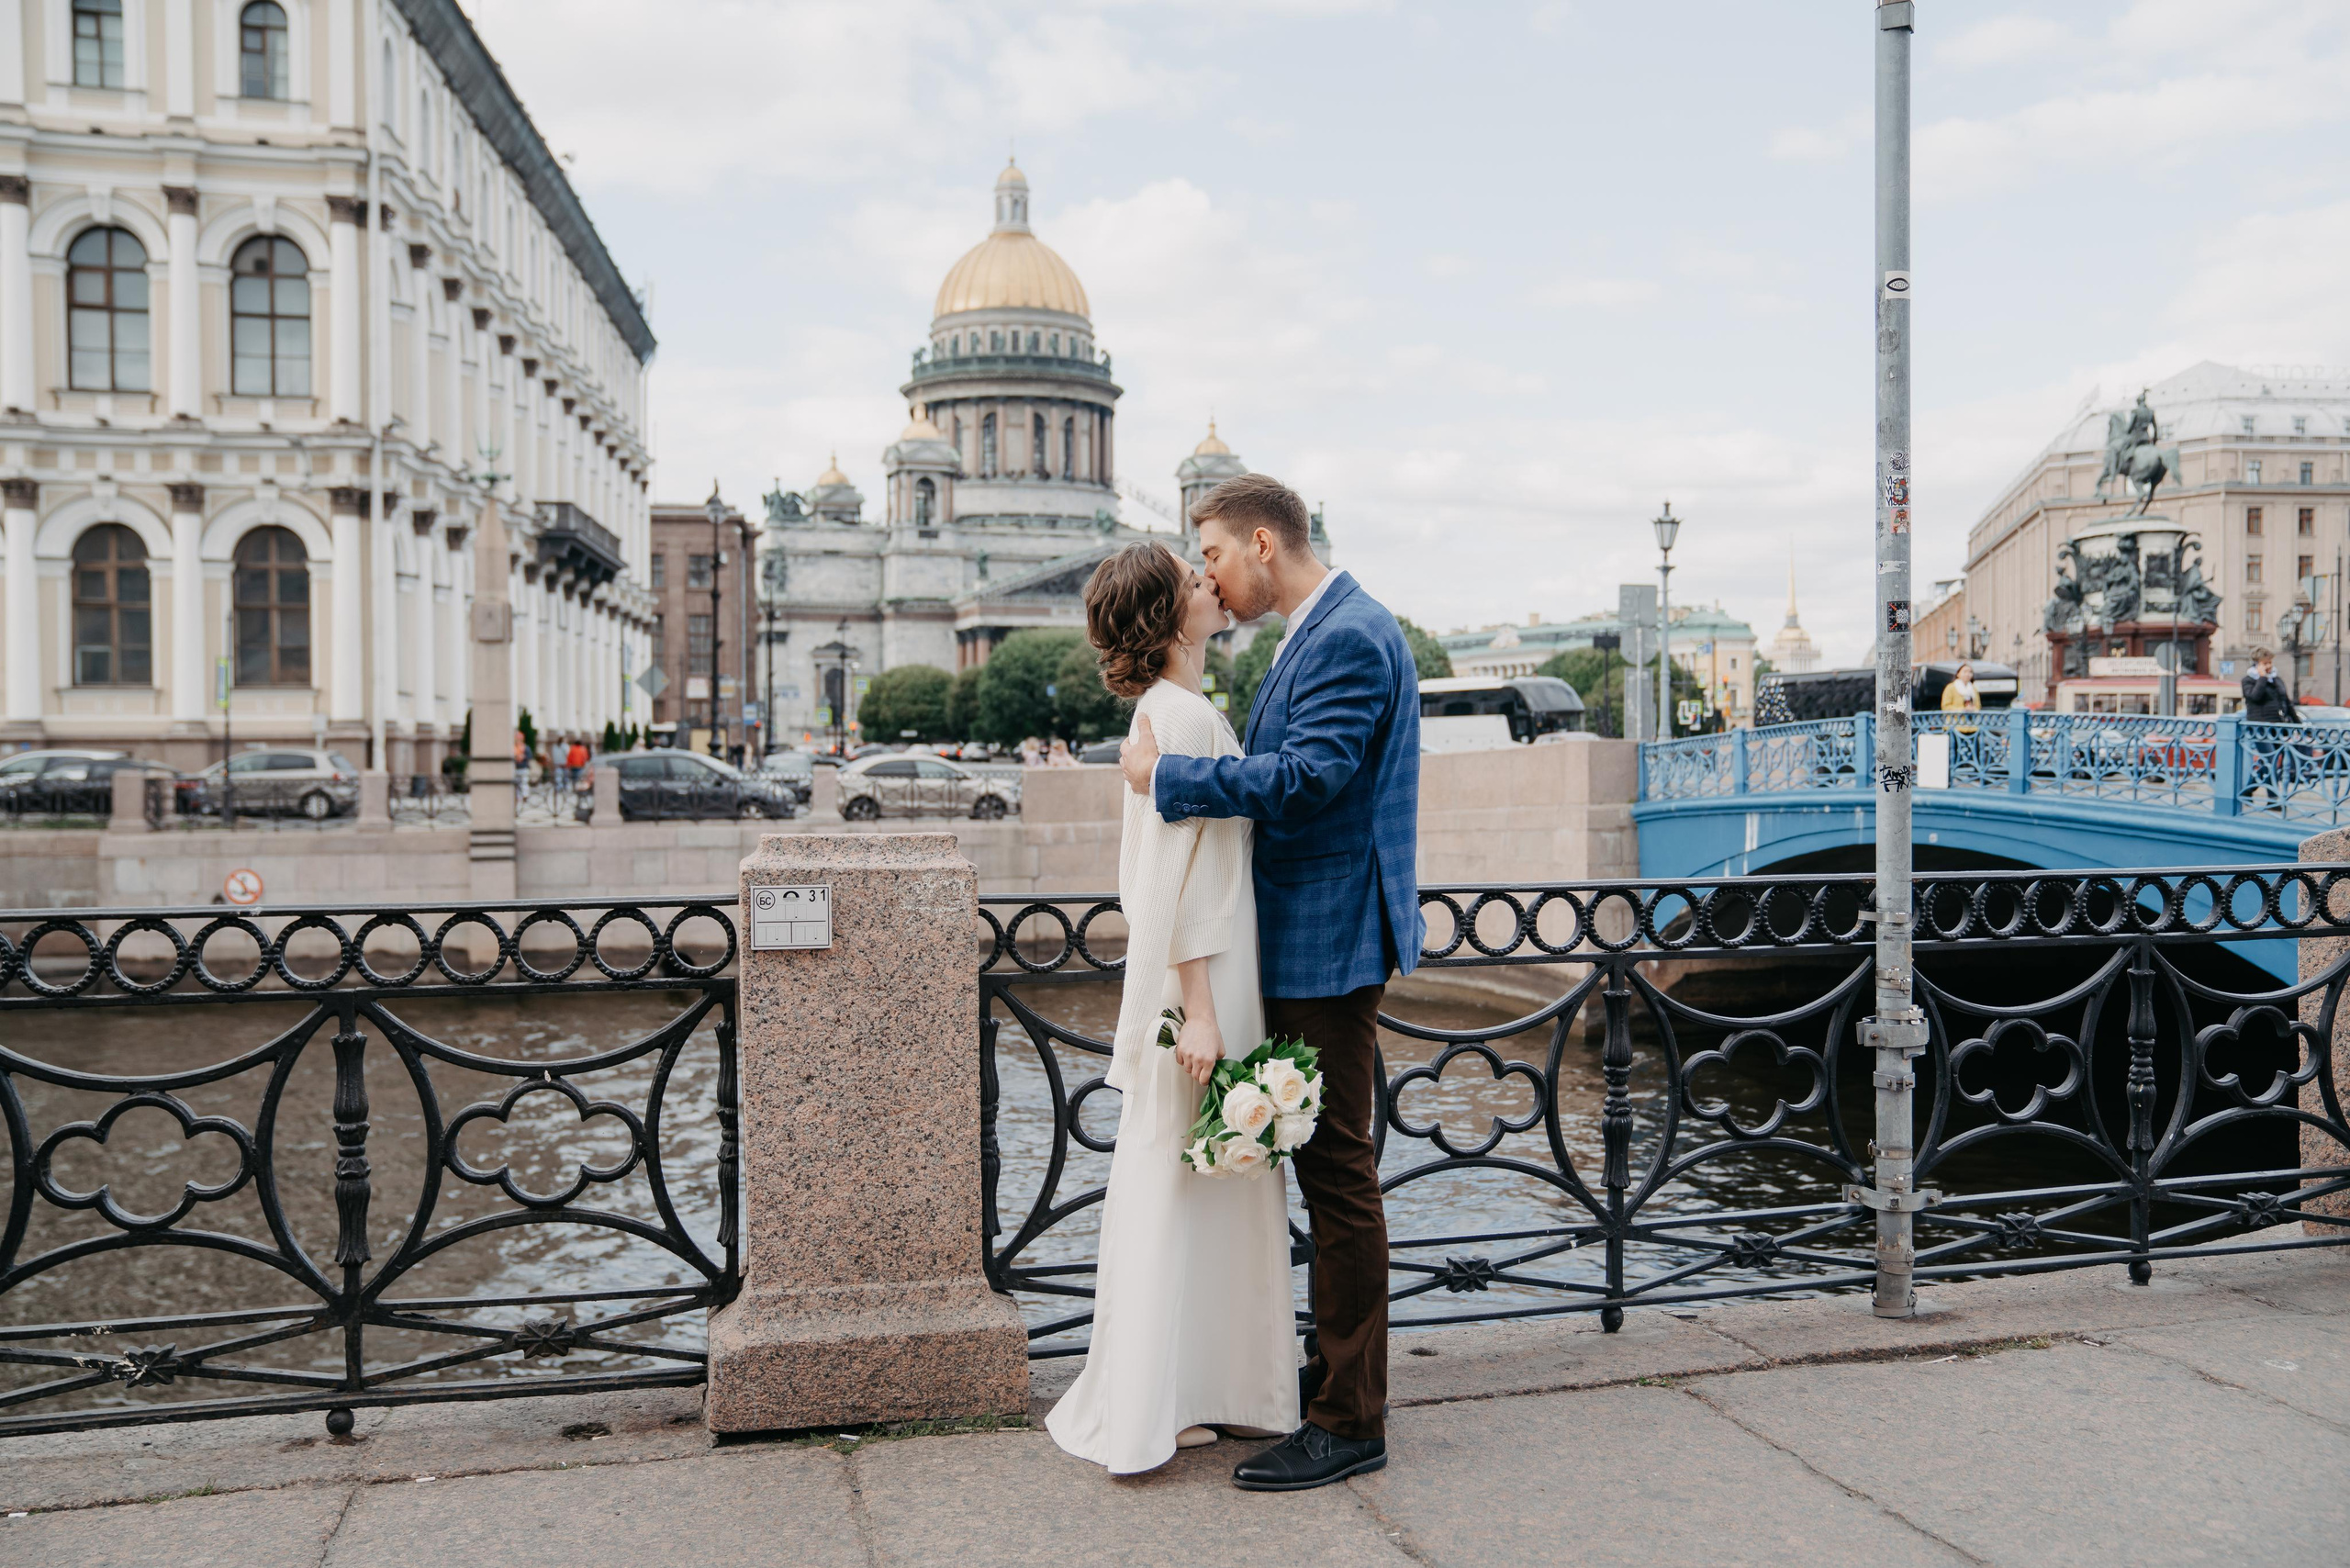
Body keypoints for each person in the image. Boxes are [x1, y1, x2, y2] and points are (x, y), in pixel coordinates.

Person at [1120, 472, 1421, 1492]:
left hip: (1326, 941)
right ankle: (1327, 1379)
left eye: (1208, 552)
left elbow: (1309, 779)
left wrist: (1171, 777)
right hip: (1308, 935)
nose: (1203, 572)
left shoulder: (1341, 633)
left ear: (1259, 542)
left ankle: (1349, 1418)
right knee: (1326, 1165)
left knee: (1337, 1173)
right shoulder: (1321, 628)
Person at [1045, 542, 1296, 1476]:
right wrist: (1199, 1009)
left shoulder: (1170, 714)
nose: (1210, 584)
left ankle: (1178, 1389)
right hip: (1205, 977)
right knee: (1189, 1177)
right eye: (1192, 581)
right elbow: (1181, 881)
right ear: (1164, 616)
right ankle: (1178, 1394)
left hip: (1200, 971)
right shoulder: (1181, 716)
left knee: (1185, 1181)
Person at [2242, 649, 2302, 807]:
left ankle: (2247, 791)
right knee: (2271, 761)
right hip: (2259, 727)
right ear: (2257, 664)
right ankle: (2273, 800)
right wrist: (2262, 678)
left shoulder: (2277, 680)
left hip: (2277, 727)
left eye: (2270, 662)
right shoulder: (2248, 680)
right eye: (2265, 663)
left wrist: (2299, 725)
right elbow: (2254, 697)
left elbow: (2287, 703)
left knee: (2269, 763)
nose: (2268, 666)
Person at [1941, 662, 1981, 735]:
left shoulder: (1973, 689)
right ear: (1958, 674)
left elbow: (1978, 706)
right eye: (1965, 672)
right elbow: (1945, 706)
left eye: (1970, 672)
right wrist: (1962, 710)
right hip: (1954, 726)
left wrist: (1973, 709)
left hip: (1972, 726)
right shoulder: (1951, 688)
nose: (1967, 674)